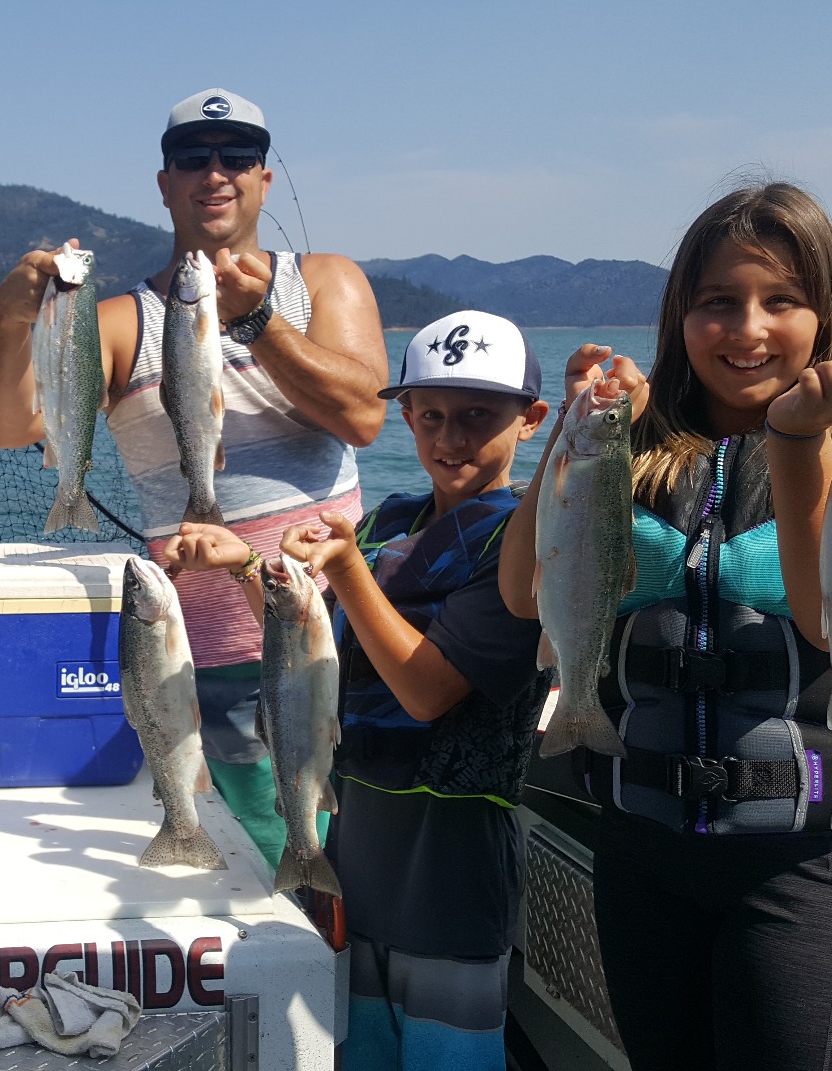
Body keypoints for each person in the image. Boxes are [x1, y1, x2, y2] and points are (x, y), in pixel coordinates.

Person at [497, 183, 832, 1069]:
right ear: (680, 317)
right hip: (643, 852)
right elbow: (519, 593)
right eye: (717, 304)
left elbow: (826, 617)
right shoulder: (634, 444)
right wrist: (571, 433)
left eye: (782, 301)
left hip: (803, 860)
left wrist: (801, 439)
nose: (748, 329)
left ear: (826, 312)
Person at [0, 88, 386, 865]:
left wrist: (260, 320)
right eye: (193, 158)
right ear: (164, 183)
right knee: (257, 867)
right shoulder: (120, 322)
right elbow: (8, 426)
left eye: (238, 157)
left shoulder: (327, 283)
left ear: (265, 177)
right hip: (208, 658)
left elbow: (364, 415)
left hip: (337, 638)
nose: (216, 172)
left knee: (357, 861)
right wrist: (11, 319)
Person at [168, 310, 552, 1069]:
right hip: (358, 841)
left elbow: (425, 692)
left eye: (479, 417)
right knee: (363, 1050)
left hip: (452, 860)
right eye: (432, 416)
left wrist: (343, 570)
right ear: (404, 415)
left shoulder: (521, 544)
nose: (451, 440)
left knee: (448, 1053)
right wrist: (247, 567)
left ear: (531, 420)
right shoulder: (389, 521)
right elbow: (314, 646)